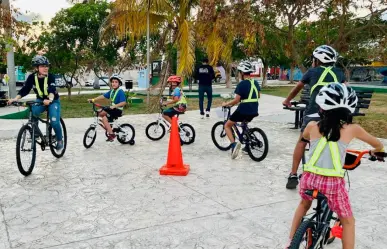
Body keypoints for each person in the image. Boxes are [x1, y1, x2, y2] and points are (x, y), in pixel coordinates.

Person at [285, 83, 385, 249]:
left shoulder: (311, 126)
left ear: (321, 108)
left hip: (309, 179)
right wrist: (376, 152)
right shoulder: (353, 129)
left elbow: (304, 141)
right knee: (348, 221)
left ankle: (290, 243)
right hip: (332, 183)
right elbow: (378, 144)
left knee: (303, 205)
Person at [283, 45, 347, 189]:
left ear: (317, 60)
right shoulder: (339, 72)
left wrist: (287, 100)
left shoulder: (312, 72)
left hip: (314, 113)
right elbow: (346, 90)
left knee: (302, 142)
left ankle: (293, 174)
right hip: (335, 115)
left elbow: (297, 88)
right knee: (334, 142)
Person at [7, 55, 64, 151]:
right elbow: (25, 90)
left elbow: (52, 90)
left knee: (54, 121)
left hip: (53, 101)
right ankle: (36, 133)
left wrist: (49, 100)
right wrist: (15, 99)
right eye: (42, 66)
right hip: (41, 100)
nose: (46, 68)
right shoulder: (31, 77)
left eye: (47, 66)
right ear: (36, 68)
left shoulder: (50, 77)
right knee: (33, 111)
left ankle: (59, 140)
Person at [222, 60, 261, 159]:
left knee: (227, 125)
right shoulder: (255, 83)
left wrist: (227, 103)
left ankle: (234, 145)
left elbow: (236, 100)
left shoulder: (242, 84)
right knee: (244, 124)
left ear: (242, 73)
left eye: (239, 72)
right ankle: (247, 145)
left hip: (243, 109)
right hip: (254, 109)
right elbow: (258, 96)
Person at [88, 75, 126, 142]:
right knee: (99, 113)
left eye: (116, 82)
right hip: (112, 109)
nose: (114, 83)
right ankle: (109, 127)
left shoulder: (120, 92)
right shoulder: (111, 91)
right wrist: (93, 100)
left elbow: (123, 102)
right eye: (113, 82)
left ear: (119, 84)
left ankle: (112, 134)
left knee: (104, 119)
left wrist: (114, 106)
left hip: (117, 110)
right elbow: (103, 96)